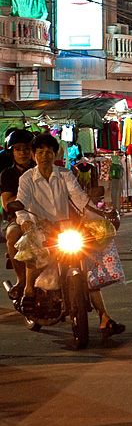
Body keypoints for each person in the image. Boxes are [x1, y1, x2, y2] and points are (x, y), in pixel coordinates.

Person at [15, 133, 125, 338]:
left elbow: (79, 197)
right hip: (40, 229)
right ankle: (29, 291)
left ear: (56, 154)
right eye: (40, 152)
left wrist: (98, 213)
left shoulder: (65, 174)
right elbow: (21, 203)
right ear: (33, 155)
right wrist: (25, 221)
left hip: (64, 229)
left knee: (86, 269)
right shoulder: (27, 178)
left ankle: (104, 317)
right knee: (32, 248)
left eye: (49, 152)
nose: (45, 156)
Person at [1, 129, 34, 301]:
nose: (23, 153)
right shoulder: (8, 174)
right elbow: (7, 203)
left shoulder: (41, 170)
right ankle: (21, 280)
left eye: (27, 148)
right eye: (18, 149)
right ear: (11, 152)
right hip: (18, 219)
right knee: (13, 236)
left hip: (45, 217)